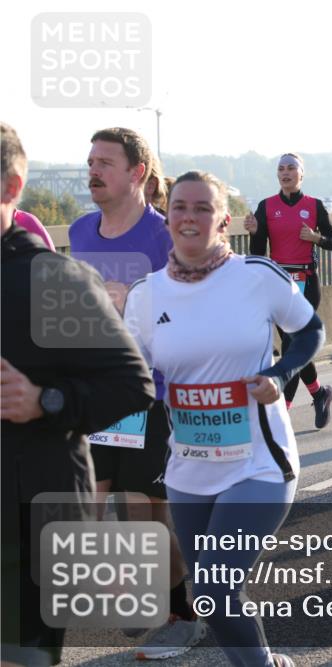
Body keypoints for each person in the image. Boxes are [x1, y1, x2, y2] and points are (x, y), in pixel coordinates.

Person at [125, 170, 324, 667]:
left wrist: (280, 373)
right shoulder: (145, 296)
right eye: (179, 207)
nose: (189, 217)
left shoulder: (257, 276)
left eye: (202, 208)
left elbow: (310, 331)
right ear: (167, 215)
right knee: (213, 598)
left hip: (257, 463)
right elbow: (132, 377)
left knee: (213, 584)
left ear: (224, 221)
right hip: (189, 468)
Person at [2, 121, 156, 667]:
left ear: (11, 188)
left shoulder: (51, 279)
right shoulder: (77, 242)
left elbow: (131, 385)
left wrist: (44, 399)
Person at [69, 127, 204, 659]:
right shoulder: (80, 232)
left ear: (137, 174)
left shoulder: (165, 234)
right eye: (90, 160)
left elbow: (194, 308)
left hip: (153, 395)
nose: (93, 170)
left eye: (105, 161)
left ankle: (182, 611)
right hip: (94, 394)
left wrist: (138, 301)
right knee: (90, 506)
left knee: (143, 513)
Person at [245, 153, 332, 427]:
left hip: (306, 282)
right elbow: (258, 252)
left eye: (291, 169)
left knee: (291, 346)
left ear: (301, 174)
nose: (286, 173)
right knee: (295, 346)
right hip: (278, 283)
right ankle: (319, 393)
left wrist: (316, 237)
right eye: (281, 169)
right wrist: (254, 232)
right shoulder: (267, 206)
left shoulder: (314, 205)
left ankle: (281, 410)